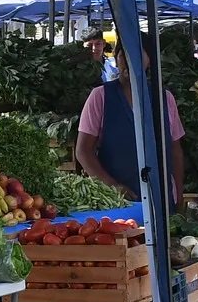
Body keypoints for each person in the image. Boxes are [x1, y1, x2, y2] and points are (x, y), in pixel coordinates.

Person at [74, 52, 186, 205]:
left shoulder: (165, 98)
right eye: (124, 55)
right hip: (116, 203)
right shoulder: (100, 96)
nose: (130, 61)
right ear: (116, 57)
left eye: (138, 54)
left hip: (161, 199)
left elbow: (175, 151)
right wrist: (113, 186)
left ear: (149, 61)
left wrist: (179, 198)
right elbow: (83, 151)